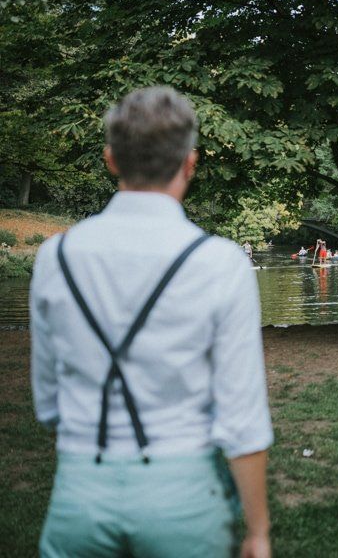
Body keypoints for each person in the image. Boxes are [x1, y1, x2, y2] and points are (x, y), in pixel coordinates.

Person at [30, 86, 273, 558]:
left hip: (81, 493)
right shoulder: (219, 262)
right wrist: (258, 530)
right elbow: (242, 419)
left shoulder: (54, 257)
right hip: (183, 498)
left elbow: (48, 399)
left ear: (110, 160)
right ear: (190, 163)